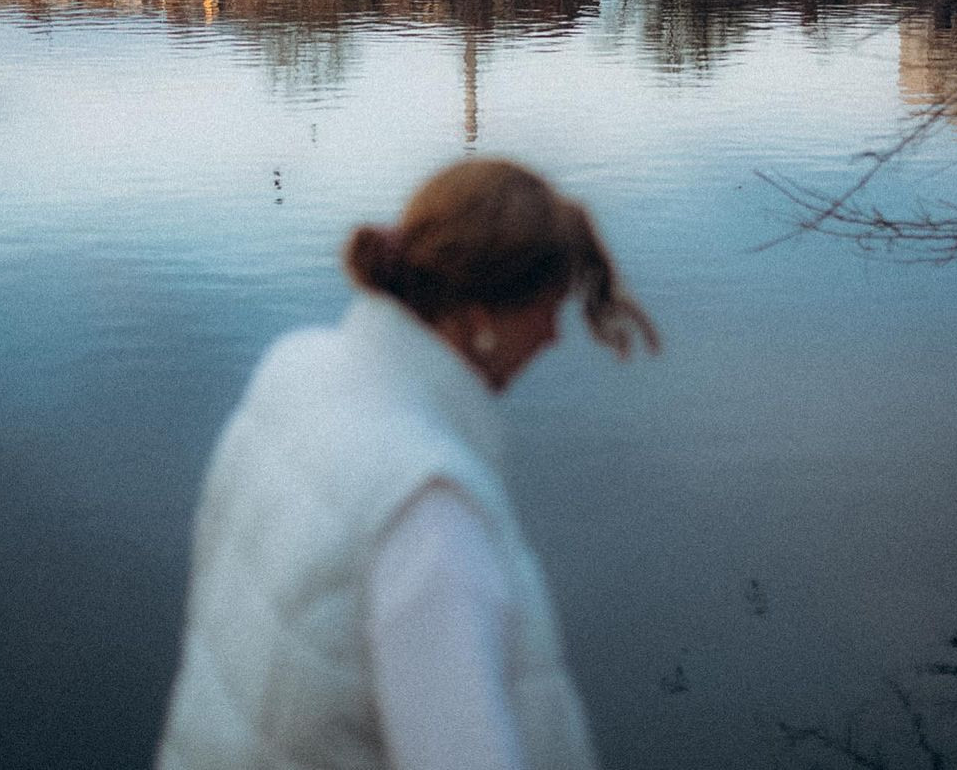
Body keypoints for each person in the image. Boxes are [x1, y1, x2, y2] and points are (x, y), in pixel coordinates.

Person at [157, 158, 658, 770]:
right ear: (479, 318)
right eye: (547, 307)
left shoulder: (294, 370)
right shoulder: (427, 507)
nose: (555, 336)